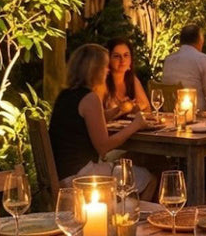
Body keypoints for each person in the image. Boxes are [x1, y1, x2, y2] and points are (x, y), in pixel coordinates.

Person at [48, 44, 155, 196]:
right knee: (148, 178)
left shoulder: (65, 95)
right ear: (95, 70)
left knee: (130, 167)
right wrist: (135, 125)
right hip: (80, 176)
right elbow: (103, 146)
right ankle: (132, 217)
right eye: (105, 67)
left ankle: (122, 211)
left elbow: (89, 120)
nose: (108, 70)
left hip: (63, 173)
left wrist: (119, 109)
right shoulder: (90, 98)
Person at [161, 24, 206, 111]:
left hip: (171, 113)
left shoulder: (168, 60)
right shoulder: (203, 60)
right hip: (198, 115)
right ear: (199, 40)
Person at [104, 37, 150, 119]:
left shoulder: (132, 80)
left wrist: (134, 108)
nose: (122, 60)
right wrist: (121, 109)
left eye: (126, 55)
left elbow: (147, 109)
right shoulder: (102, 82)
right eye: (116, 56)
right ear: (108, 59)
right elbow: (98, 116)